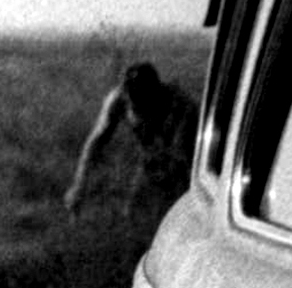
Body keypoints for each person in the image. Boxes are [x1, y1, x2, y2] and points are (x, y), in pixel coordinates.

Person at [63, 57, 197, 215]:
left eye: (143, 100)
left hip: (188, 158)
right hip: (154, 157)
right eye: (132, 100)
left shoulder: (180, 105)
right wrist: (79, 186)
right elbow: (96, 143)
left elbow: (181, 157)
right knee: (134, 212)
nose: (137, 107)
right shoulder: (118, 100)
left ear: (156, 92)